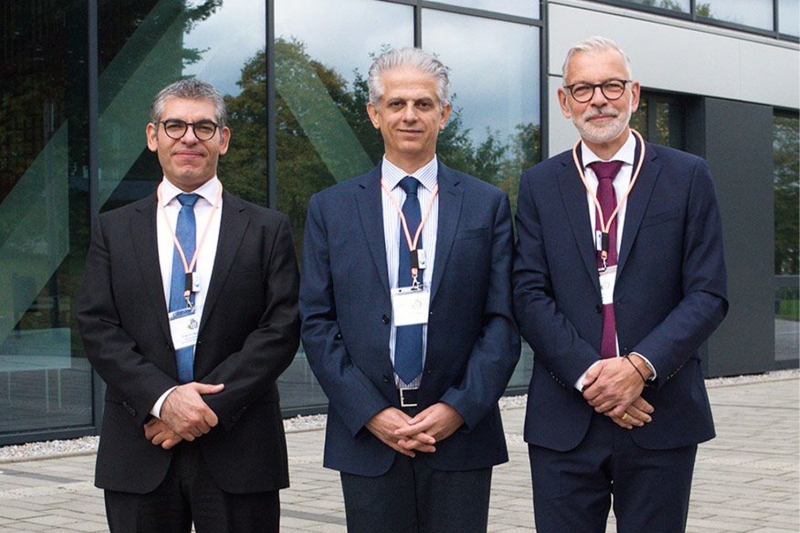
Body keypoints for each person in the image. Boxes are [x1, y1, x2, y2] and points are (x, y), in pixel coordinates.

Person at [512, 36, 729, 533]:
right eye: (583, 89)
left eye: (611, 85)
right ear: (564, 101)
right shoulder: (539, 185)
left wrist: (638, 368)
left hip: (660, 413)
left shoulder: (687, 176)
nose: (599, 100)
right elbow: (528, 293)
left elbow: (708, 292)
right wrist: (593, 376)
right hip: (565, 417)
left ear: (634, 93)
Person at [299, 47, 520, 533]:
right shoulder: (331, 209)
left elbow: (502, 321)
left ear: (444, 113)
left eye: (423, 104)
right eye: (396, 103)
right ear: (374, 113)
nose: (410, 115)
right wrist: (370, 412)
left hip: (459, 435)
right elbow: (317, 322)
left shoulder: (486, 205)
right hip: (368, 437)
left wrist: (458, 408)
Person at [76, 78, 300, 533]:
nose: (189, 138)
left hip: (240, 446)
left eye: (204, 127)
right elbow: (97, 326)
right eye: (175, 125)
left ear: (223, 138)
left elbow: (280, 329)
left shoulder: (267, 229)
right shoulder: (112, 230)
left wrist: (198, 410)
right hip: (141, 444)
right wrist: (163, 400)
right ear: (153, 136)